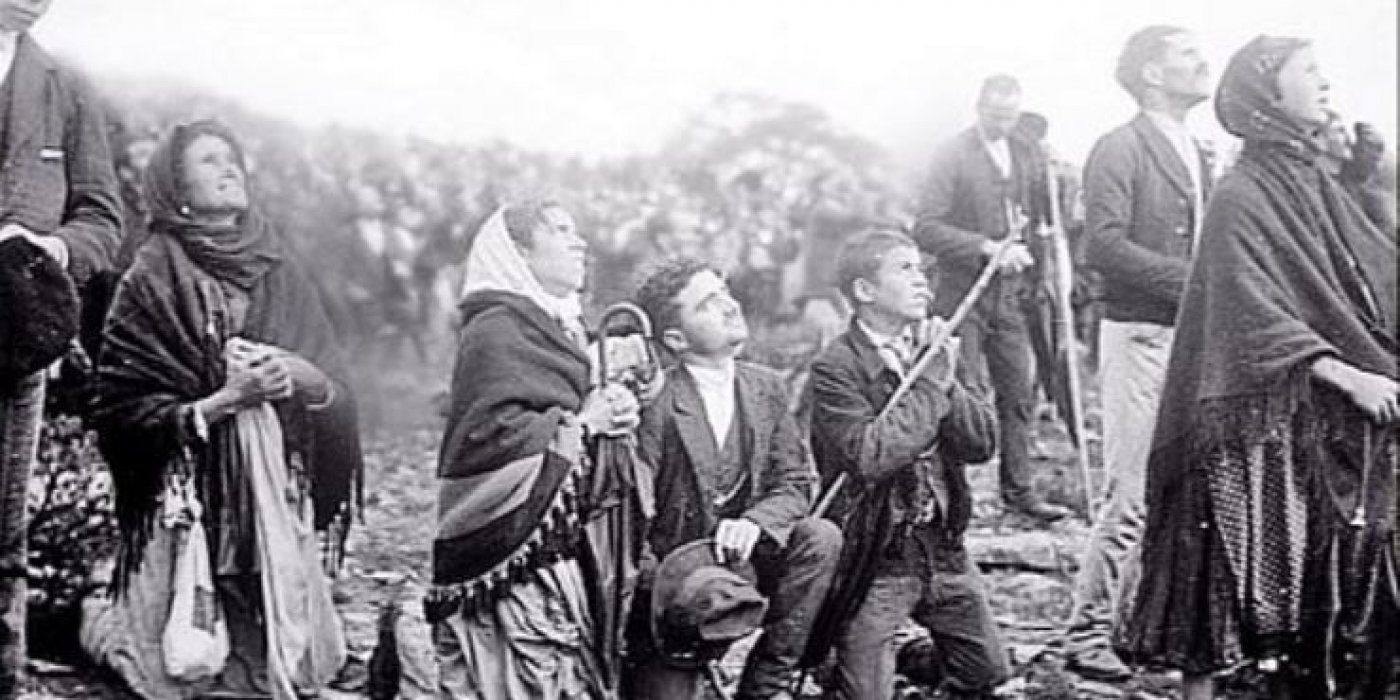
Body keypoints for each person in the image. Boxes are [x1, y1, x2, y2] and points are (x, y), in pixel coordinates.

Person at [1117, 37, 1398, 700]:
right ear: (1267, 92)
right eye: (1310, 71)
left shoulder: (1313, 180)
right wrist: (1346, 374)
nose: (1325, 84)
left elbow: (1370, 271)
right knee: (1234, 572)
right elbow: (1247, 309)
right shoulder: (1241, 194)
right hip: (1272, 411)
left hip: (1329, 415)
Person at [91, 120, 361, 699]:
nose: (229, 167)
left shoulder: (279, 267)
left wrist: (298, 374)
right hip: (185, 494)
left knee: (292, 669)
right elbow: (119, 410)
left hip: (274, 484)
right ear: (177, 186)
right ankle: (100, 622)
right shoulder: (151, 275)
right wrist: (222, 403)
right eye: (209, 160)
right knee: (169, 674)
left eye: (232, 157)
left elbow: (332, 382)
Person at [427, 201, 642, 699]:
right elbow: (494, 436)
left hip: (560, 538)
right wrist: (586, 424)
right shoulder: (497, 329)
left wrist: (617, 405)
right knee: (520, 670)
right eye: (561, 231)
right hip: (514, 547)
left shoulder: (556, 323)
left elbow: (569, 399)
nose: (578, 242)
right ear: (520, 252)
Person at [1064, 25, 1214, 681]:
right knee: (1128, 492)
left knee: (1179, 490)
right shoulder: (1119, 146)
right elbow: (1102, 244)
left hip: (1188, 338)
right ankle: (1085, 633)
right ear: (1152, 72)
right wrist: (1194, 283)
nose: (1202, 63)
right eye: (1187, 54)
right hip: (1140, 335)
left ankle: (1142, 627)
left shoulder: (1197, 150)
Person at [807, 229, 1008, 699]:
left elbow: (981, 444)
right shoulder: (835, 367)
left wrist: (945, 378)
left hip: (942, 546)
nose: (922, 281)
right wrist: (932, 383)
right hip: (878, 556)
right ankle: (845, 660)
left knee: (987, 672)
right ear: (865, 290)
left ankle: (908, 657)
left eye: (921, 269)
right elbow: (871, 456)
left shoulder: (935, 350)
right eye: (905, 269)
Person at [630, 257, 841, 699]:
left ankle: (767, 681)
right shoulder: (657, 402)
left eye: (725, 293)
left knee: (819, 537)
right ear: (675, 339)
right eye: (707, 303)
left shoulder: (765, 387)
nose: (729, 305)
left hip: (747, 567)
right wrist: (665, 599)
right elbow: (633, 517)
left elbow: (795, 480)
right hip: (676, 586)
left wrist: (755, 522)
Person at [0, 0, 121, 693]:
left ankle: (6, 676)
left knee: (3, 538)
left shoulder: (64, 86)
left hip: (13, 336)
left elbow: (102, 218)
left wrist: (53, 248)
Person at [912, 74, 1069, 521]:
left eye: (1011, 115)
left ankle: (1019, 493)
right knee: (963, 394)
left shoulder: (1028, 152)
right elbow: (926, 227)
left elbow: (1044, 212)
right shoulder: (952, 154)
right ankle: (953, 498)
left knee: (1018, 394)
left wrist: (1055, 182)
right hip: (962, 294)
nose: (1004, 124)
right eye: (996, 115)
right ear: (980, 108)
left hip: (1012, 297)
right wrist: (985, 248)